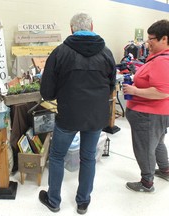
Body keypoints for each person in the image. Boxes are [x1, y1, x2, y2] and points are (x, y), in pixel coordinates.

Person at [38, 13, 116, 215]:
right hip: (96, 116)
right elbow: (111, 86)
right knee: (88, 158)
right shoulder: (106, 53)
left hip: (68, 116)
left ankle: (53, 200)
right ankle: (83, 202)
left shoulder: (60, 52)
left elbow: (46, 92)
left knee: (56, 157)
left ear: (71, 29)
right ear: (92, 26)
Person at [123, 19, 169, 193]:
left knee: (144, 148)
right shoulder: (158, 58)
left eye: (152, 39)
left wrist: (134, 91)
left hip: (148, 114)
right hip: (155, 114)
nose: (147, 42)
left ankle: (146, 182)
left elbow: (162, 92)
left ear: (164, 39)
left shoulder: (162, 61)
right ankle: (165, 169)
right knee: (157, 143)